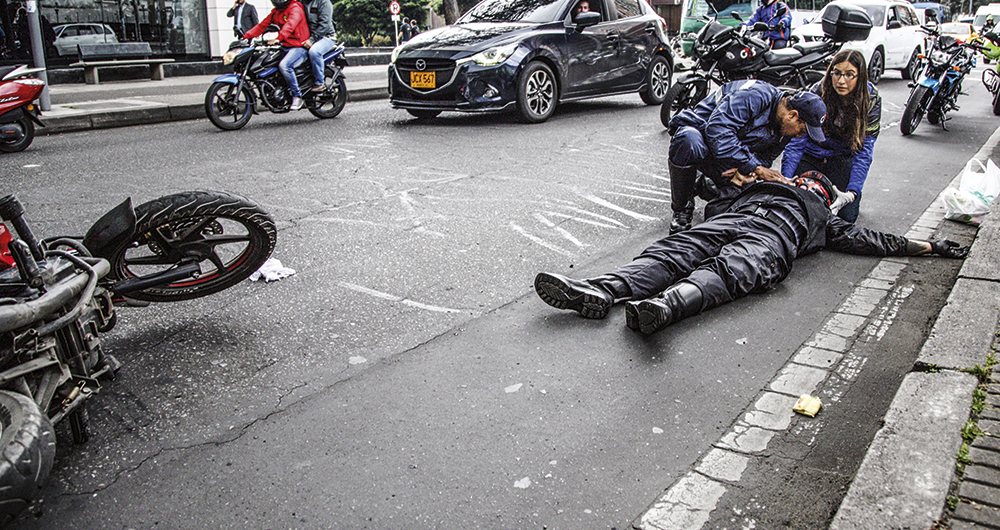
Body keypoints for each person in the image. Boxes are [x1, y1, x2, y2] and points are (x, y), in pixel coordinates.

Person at [533, 173, 970, 335]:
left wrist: (929, 246)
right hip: (754, 229)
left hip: (757, 230)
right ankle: (615, 296)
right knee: (695, 259)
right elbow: (878, 241)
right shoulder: (792, 199)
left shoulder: (819, 216)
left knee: (706, 263)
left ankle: (647, 303)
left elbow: (875, 240)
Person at [665, 79, 827, 234]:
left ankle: (703, 184)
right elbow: (717, 131)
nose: (799, 136)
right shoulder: (756, 96)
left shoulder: (785, 129)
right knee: (689, 141)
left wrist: (747, 174)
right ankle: (682, 209)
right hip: (702, 135)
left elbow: (766, 158)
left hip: (729, 155)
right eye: (802, 130)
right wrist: (755, 167)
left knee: (735, 210)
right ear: (792, 115)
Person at [780, 49, 881, 223]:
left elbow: (864, 152)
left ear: (860, 76)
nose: (841, 81)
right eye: (837, 73)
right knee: (794, 207)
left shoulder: (871, 100)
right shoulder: (817, 92)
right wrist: (786, 179)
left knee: (846, 217)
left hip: (841, 158)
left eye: (850, 75)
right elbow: (796, 143)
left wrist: (852, 192)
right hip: (812, 155)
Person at [243, 0, 310, 110]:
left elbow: (290, 25)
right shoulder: (277, 12)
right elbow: (262, 25)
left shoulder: (295, 8)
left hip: (299, 46)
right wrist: (247, 36)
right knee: (269, 62)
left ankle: (297, 95)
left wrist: (278, 38)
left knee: (284, 65)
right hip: (285, 45)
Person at [301, 0, 337, 94]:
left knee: (314, 52)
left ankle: (320, 83)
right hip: (308, 38)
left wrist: (312, 40)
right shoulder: (301, 2)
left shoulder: (324, 2)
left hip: (326, 37)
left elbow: (324, 25)